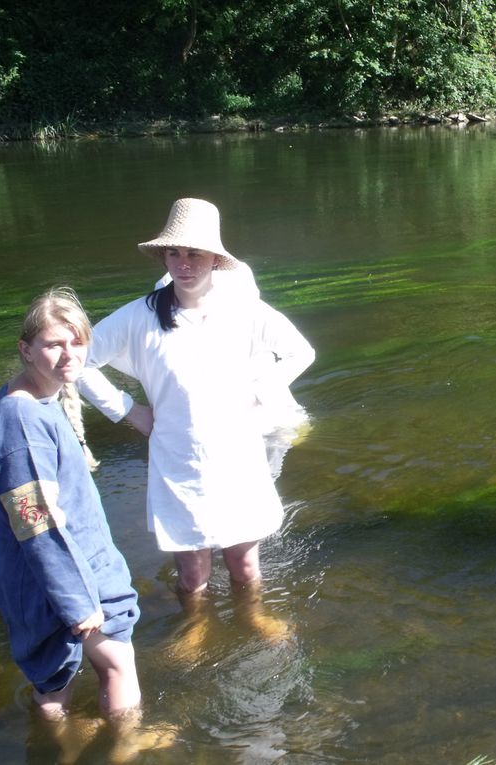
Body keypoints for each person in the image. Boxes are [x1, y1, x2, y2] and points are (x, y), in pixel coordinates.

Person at [77, 198, 315, 651]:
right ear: (164, 258)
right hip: (176, 455)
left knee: (245, 565)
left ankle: (254, 614)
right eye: (175, 254)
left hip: (238, 452)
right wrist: (128, 410)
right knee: (192, 571)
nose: (184, 264)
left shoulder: (244, 309)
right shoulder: (139, 315)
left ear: (214, 260)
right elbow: (81, 361)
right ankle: (197, 624)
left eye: (195, 254)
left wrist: (260, 390)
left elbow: (300, 352)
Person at [0, 287, 170, 762]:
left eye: (77, 343)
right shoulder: (21, 421)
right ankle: (125, 746)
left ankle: (56, 748)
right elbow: (34, 522)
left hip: (65, 564)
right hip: (61, 573)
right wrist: (74, 599)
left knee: (55, 677)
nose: (68, 355)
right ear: (26, 350)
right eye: (53, 344)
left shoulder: (42, 396)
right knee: (111, 662)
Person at [154, 256, 310, 478]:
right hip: (220, 426)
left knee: (262, 479)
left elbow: (300, 353)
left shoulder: (245, 303)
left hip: (269, 421)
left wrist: (258, 392)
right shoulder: (169, 293)